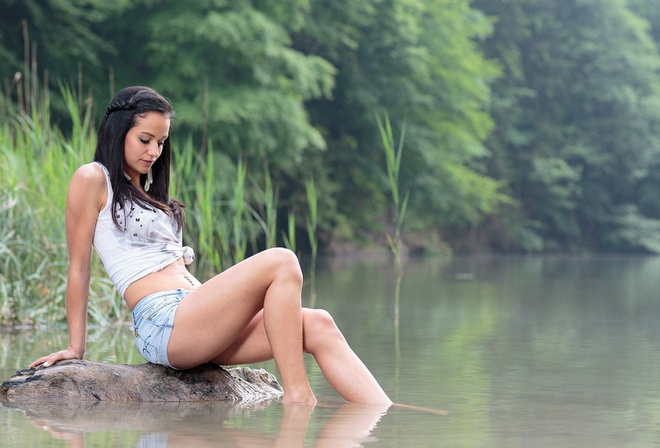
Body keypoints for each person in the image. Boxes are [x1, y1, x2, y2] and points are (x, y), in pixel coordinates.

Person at [30, 86, 392, 406]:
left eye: (161, 142)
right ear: (118, 131)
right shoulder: (93, 178)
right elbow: (79, 266)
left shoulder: (150, 193)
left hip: (196, 317)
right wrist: (76, 348)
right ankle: (298, 398)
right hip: (165, 324)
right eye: (145, 139)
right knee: (282, 260)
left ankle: (384, 419)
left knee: (318, 324)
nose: (154, 150)